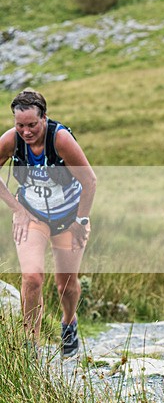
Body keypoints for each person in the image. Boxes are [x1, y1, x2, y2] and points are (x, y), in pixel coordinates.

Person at [0, 89, 96, 358]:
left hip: (69, 218)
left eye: (32, 124)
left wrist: (80, 221)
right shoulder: (11, 140)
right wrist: (17, 209)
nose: (26, 131)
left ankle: (69, 322)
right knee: (32, 278)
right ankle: (30, 345)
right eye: (20, 125)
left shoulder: (60, 140)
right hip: (33, 217)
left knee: (66, 285)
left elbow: (90, 181)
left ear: (44, 118)